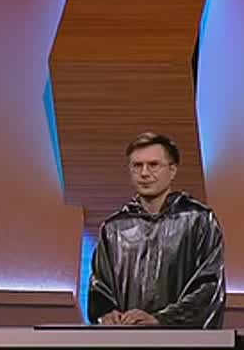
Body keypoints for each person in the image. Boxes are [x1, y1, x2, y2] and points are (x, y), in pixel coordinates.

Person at [88, 132, 226, 328]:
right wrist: (106, 315)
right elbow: (99, 288)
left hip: (182, 342)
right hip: (125, 340)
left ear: (172, 170)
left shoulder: (199, 220)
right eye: (137, 166)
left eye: (153, 165)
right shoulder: (113, 228)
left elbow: (209, 287)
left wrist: (161, 320)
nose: (144, 173)